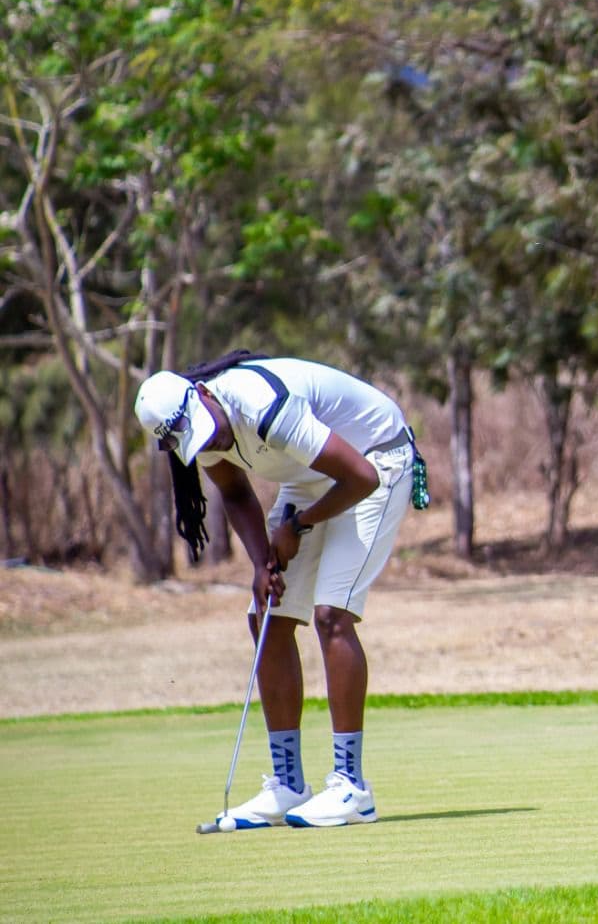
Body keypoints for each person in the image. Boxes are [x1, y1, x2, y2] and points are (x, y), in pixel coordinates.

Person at [135, 352, 423, 829]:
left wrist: (296, 528)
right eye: (200, 442)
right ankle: (289, 785)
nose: (214, 442)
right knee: (267, 615)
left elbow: (361, 478)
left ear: (204, 395)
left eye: (210, 431)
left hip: (376, 458)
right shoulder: (201, 431)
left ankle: (353, 788)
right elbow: (235, 492)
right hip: (311, 477)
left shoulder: (262, 404)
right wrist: (260, 562)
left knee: (332, 615)